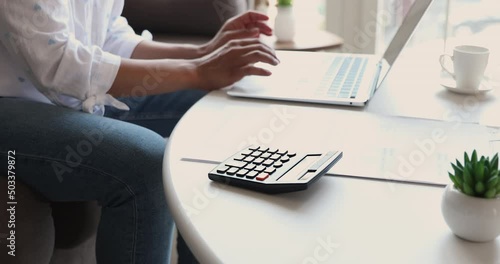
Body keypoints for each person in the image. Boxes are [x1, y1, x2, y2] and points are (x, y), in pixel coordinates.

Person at [0, 0, 278, 263]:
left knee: (219, 108)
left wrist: (204, 53)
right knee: (147, 164)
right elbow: (58, 63)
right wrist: (196, 71)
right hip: (11, 101)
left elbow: (109, 36)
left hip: (61, 96)